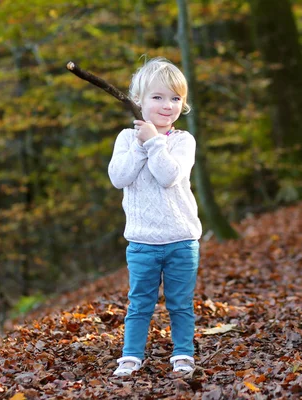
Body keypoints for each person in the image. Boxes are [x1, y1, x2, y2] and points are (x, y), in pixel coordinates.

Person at [108, 56, 202, 377]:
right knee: (140, 304)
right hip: (142, 241)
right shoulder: (125, 138)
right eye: (158, 97)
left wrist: (155, 143)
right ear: (138, 101)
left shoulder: (182, 141)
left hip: (181, 239)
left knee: (180, 304)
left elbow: (168, 176)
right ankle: (131, 355)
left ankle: (183, 354)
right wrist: (140, 143)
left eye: (175, 98)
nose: (167, 105)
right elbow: (119, 177)